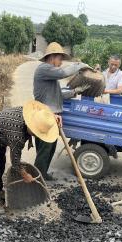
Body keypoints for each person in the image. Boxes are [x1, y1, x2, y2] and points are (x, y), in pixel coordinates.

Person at [0, 100, 59, 206]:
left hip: (0, 136)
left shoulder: (28, 113)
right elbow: (15, 161)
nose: (35, 136)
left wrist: (53, 117)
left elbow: (43, 110)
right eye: (35, 133)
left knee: (0, 166)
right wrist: (25, 174)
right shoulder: (17, 135)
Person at [33, 42, 90, 180]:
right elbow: (63, 73)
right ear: (52, 57)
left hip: (53, 116)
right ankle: (36, 178)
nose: (61, 62)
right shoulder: (44, 69)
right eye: (60, 59)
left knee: (50, 148)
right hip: (44, 116)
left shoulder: (50, 75)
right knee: (44, 149)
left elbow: (59, 94)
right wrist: (79, 65)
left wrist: (75, 91)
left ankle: (42, 174)